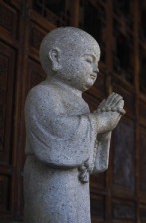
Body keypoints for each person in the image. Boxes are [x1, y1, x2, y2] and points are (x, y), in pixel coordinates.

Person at [23, 27, 125, 223]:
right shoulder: (43, 93)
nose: (96, 70)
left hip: (76, 183)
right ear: (56, 58)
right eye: (89, 60)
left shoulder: (82, 103)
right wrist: (98, 122)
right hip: (51, 180)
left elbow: (89, 159)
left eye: (97, 63)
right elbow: (56, 133)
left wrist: (104, 129)